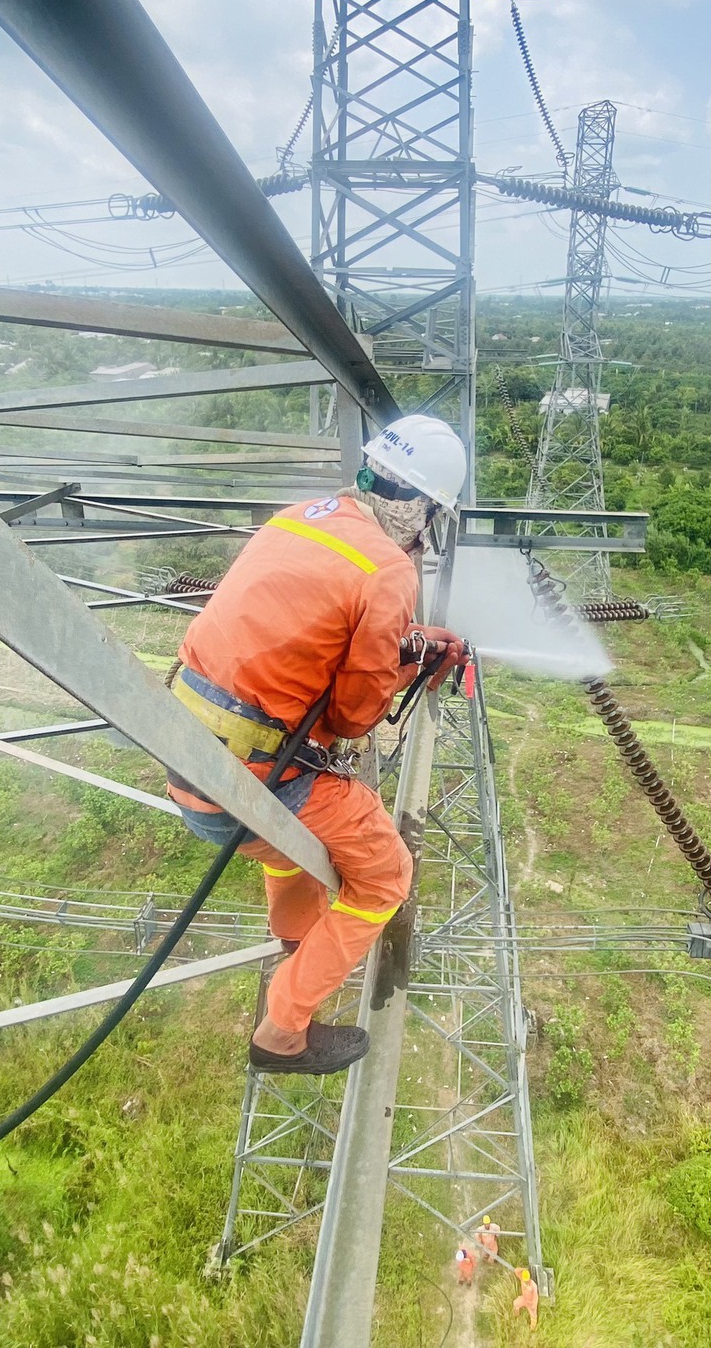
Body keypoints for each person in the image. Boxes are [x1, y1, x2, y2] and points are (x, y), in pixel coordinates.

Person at [167, 414, 470, 1076]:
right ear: (422, 507)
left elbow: (315, 618)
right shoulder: (389, 568)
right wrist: (406, 661)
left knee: (290, 846)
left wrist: (408, 638)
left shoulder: (299, 516)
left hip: (190, 766)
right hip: (261, 781)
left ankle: (297, 939)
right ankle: (282, 1033)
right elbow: (357, 714)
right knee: (385, 877)